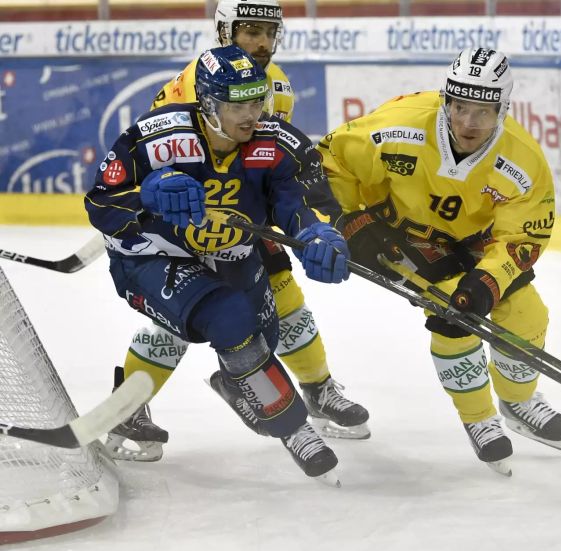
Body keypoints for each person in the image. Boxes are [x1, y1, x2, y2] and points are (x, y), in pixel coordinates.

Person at [106, 0, 369, 463]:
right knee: (185, 318)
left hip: (245, 214)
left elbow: (274, 155)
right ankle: (130, 407)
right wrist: (144, 199)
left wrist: (305, 218)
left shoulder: (276, 82)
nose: (262, 42)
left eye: (269, 31)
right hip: (190, 223)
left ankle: (313, 389)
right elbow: (155, 165)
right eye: (249, 30)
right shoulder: (187, 90)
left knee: (280, 301)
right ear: (224, 30)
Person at [318, 48, 561, 476]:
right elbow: (332, 160)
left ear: (503, 108)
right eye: (460, 107)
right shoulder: (398, 125)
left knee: (527, 315)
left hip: (474, 245)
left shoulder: (522, 161)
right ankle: (479, 419)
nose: (468, 123)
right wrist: (348, 219)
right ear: (446, 99)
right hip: (401, 238)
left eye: (484, 112)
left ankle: (517, 399)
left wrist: (487, 282)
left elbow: (522, 236)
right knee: (454, 317)